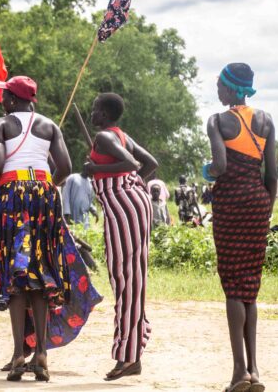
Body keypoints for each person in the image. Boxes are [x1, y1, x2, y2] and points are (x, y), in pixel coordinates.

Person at [0, 76, 101, 382]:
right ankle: (40, 355)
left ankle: (16, 356)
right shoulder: (49, 125)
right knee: (39, 273)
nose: (1, 101)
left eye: (4, 95)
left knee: (16, 275)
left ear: (11, 99)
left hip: (12, 197)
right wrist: (44, 187)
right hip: (43, 195)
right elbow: (64, 167)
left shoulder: (0, 124)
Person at [204, 63, 277, 392]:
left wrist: (207, 173)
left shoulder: (218, 121)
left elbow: (219, 165)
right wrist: (266, 209)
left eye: (220, 84)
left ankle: (238, 373)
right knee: (250, 289)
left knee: (233, 286)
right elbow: (272, 176)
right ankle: (255, 370)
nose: (217, 89)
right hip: (258, 204)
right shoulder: (266, 120)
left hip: (231, 205)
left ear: (232, 88)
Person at [85, 92, 157, 381]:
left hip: (123, 207)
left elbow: (132, 164)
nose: (92, 114)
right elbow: (150, 163)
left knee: (125, 279)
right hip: (132, 204)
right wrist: (136, 186)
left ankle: (127, 356)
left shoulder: (104, 137)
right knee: (131, 279)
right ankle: (134, 347)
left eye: (94, 110)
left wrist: (95, 169)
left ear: (103, 114)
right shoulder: (121, 135)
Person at [62, 164, 98, 228]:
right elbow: (65, 194)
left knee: (84, 235)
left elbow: (89, 201)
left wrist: (94, 211)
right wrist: (66, 212)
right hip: (72, 215)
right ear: (84, 168)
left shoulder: (90, 183)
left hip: (84, 218)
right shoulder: (72, 177)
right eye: (88, 168)